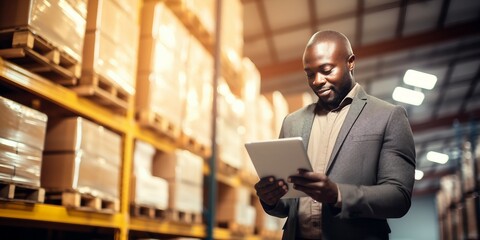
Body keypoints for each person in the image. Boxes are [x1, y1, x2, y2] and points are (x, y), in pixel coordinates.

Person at [254, 30, 416, 240]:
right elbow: (287, 206)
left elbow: (398, 197)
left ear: (350, 63)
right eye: (310, 74)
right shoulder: (292, 122)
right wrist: (271, 198)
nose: (317, 81)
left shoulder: (388, 116)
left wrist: (337, 194)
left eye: (327, 70)